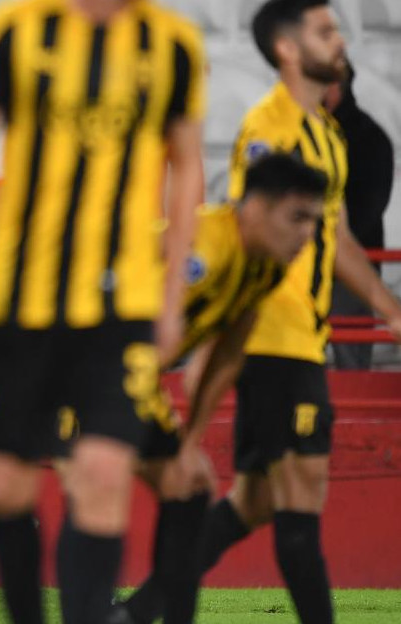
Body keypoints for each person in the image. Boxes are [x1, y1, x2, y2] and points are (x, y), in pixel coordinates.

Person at [0, 0, 207, 622]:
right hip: (21, 301)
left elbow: (187, 163)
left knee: (105, 474)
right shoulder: (18, 30)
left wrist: (172, 296)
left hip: (123, 302)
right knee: (5, 486)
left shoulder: (173, 45)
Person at [161, 3, 401, 623]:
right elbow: (248, 230)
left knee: (255, 502)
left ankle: (136, 614)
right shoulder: (269, 128)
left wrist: (386, 307)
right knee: (300, 507)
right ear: (289, 50)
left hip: (301, 337)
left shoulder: (326, 134)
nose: (339, 37)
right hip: (271, 335)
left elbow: (340, 237)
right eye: (324, 30)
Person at [100, 155, 329, 624]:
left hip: (128, 372)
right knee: (91, 491)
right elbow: (128, 321)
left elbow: (227, 357)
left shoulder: (266, 268)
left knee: (189, 488)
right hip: (84, 360)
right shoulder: (206, 247)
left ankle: (130, 616)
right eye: (298, 217)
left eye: (314, 220)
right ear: (256, 208)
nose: (307, 234)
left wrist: (188, 442)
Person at [324, 59, 395, 370]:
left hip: (351, 271)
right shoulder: (298, 130)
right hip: (298, 270)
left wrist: (331, 245)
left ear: (337, 85)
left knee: (351, 367)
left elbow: (369, 207)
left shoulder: (369, 137)